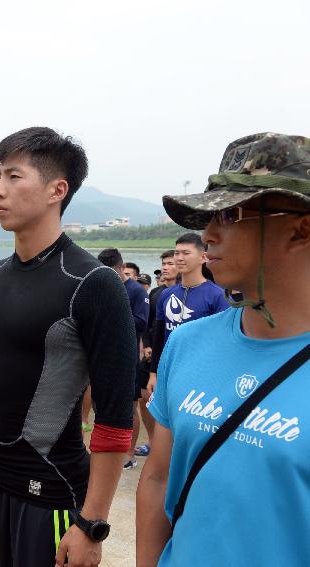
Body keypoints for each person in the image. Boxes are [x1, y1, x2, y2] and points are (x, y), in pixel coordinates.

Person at [0, 127, 136, 567]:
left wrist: (92, 524)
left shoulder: (92, 283)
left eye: (13, 177)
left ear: (56, 190)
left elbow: (114, 419)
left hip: (47, 491)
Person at [137, 132, 310, 566]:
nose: (208, 234)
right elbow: (158, 477)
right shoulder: (189, 342)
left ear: (302, 227)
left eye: (231, 214)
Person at [147, 233, 230, 395]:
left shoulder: (217, 296)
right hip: (169, 370)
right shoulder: (166, 294)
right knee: (163, 418)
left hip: (202, 373)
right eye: (177, 253)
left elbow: (225, 342)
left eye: (186, 253)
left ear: (203, 257)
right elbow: (159, 335)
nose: (179, 258)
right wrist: (153, 373)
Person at [98, 248, 149, 471]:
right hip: (103, 355)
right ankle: (107, 449)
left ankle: (129, 452)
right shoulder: (103, 287)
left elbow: (142, 322)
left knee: (130, 405)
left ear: (120, 268)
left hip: (127, 356)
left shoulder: (137, 291)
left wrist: (114, 316)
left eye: (109, 272)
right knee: (105, 404)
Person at [136, 251, 179, 457]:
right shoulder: (156, 294)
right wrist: (146, 345)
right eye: (164, 263)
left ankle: (171, 448)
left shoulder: (190, 293)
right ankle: (154, 443)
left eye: (170, 263)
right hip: (153, 353)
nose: (165, 267)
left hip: (176, 357)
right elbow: (148, 323)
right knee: (146, 397)